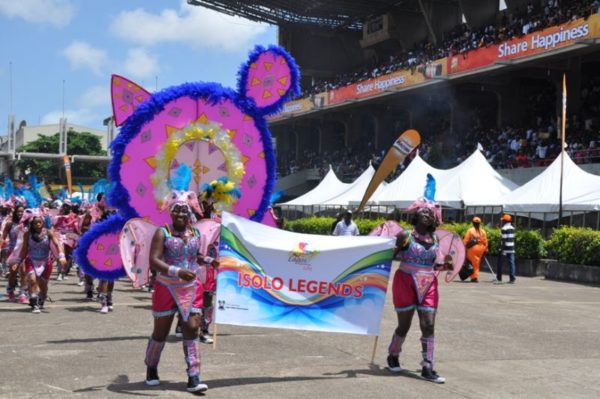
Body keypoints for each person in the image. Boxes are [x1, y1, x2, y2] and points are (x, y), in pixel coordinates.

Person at [143, 172, 218, 393]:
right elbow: (154, 260)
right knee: (161, 333)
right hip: (166, 286)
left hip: (191, 287)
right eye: (176, 211)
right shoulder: (162, 232)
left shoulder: (195, 233)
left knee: (192, 329)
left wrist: (211, 261)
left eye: (184, 212)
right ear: (171, 212)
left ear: (189, 214)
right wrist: (177, 271)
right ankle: (151, 367)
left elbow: (196, 256)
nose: (180, 215)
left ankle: (193, 377)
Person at [386, 175, 453, 383]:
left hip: (428, 283)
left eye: (429, 212)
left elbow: (436, 265)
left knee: (429, 324)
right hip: (405, 280)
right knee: (404, 326)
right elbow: (389, 257)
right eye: (422, 211)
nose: (425, 214)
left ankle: (428, 366)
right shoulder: (405, 235)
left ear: (434, 218)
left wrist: (447, 265)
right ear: (416, 215)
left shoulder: (435, 240)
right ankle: (393, 355)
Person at [16, 210, 66, 313]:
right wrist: (18, 261)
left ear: (43, 223)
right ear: (32, 224)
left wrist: (61, 256)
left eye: (39, 222)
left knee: (43, 286)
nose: (38, 224)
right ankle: (34, 303)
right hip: (31, 261)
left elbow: (57, 244)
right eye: (35, 223)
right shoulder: (27, 234)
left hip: (46, 262)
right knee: (32, 281)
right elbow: (24, 248)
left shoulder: (48, 232)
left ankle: (42, 298)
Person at [462, 217, 488, 283]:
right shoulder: (483, 231)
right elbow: (485, 242)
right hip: (481, 249)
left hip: (472, 249)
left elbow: (466, 241)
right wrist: (485, 250)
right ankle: (474, 276)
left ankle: (474, 277)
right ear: (480, 223)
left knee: (472, 263)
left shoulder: (470, 230)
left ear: (473, 223)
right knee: (476, 262)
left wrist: (463, 248)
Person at [497, 214, 516, 283]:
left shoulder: (504, 228)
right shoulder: (513, 228)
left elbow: (504, 239)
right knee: (512, 263)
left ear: (505, 221)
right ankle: (512, 278)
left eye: (503, 220)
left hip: (505, 248)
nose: (502, 222)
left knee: (500, 263)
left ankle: (499, 278)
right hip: (512, 248)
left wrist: (502, 249)